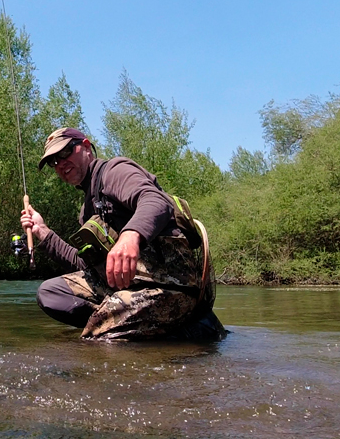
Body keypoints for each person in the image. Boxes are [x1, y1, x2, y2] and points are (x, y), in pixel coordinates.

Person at [20, 127, 226, 341]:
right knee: (51, 293)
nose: (60, 163)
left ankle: (180, 327)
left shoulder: (114, 171)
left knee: (98, 340)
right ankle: (136, 327)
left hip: (171, 286)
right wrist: (43, 232)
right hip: (129, 286)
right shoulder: (87, 210)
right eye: (53, 161)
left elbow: (156, 201)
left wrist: (130, 236)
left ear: (86, 147)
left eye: (65, 152)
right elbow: (85, 266)